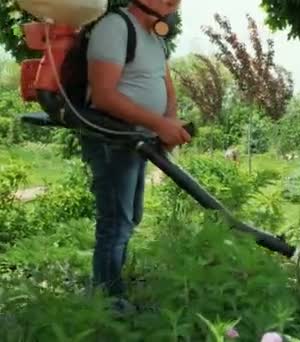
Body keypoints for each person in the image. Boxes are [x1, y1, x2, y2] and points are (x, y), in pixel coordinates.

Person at [79, 0, 190, 308]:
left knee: (129, 219)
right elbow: (103, 96)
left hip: (137, 140)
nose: (175, 1)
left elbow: (165, 84)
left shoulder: (155, 36)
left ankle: (110, 294)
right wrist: (159, 123)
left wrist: (168, 123)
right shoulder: (115, 27)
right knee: (116, 222)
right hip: (111, 140)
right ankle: (108, 304)